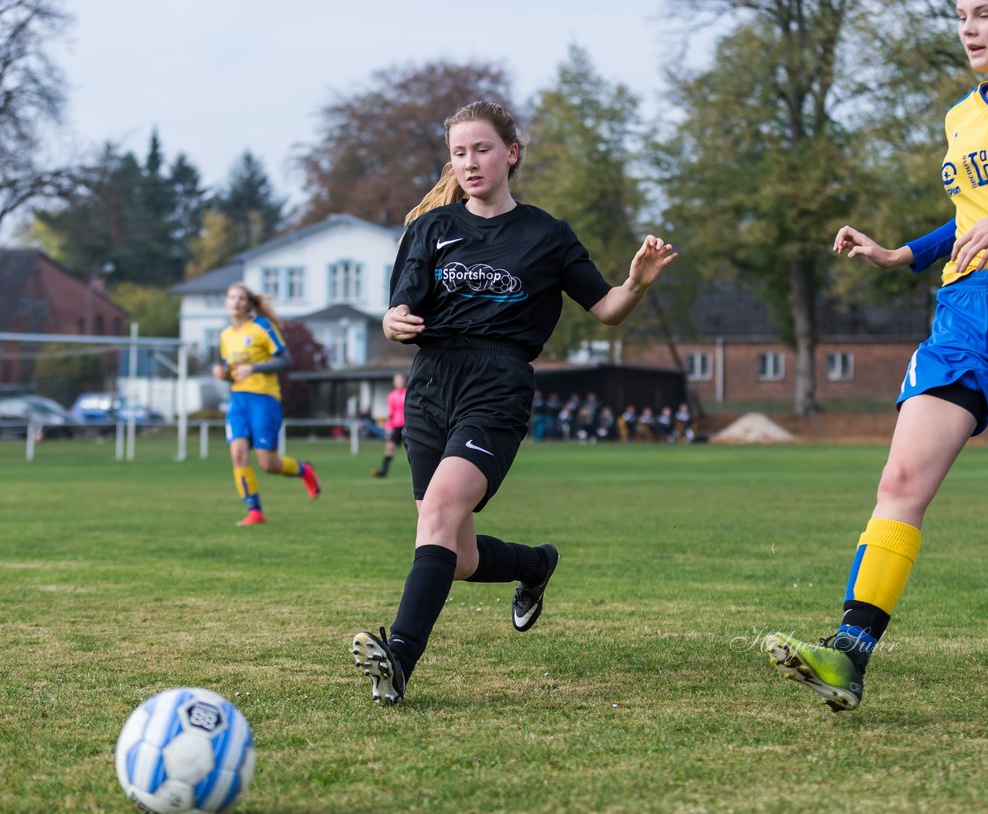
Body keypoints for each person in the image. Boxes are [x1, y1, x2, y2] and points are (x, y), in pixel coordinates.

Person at [764, 0, 988, 711]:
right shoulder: (960, 115)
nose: (968, 27)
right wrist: (904, 252)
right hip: (965, 312)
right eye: (961, 14)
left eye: (985, 12)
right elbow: (970, 215)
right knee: (901, 479)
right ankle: (850, 653)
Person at [349, 100, 678, 705]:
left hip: (497, 383)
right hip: (429, 385)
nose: (469, 162)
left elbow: (605, 309)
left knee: (442, 508)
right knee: (457, 550)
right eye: (458, 152)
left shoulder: (545, 236)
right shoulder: (429, 229)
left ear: (511, 153)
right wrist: (393, 321)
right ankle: (535, 563)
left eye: (481, 149)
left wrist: (635, 283)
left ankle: (398, 657)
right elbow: (401, 309)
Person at [212, 283, 321, 526]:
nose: (236, 302)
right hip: (238, 399)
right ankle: (254, 511)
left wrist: (254, 368)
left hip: (264, 399)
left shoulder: (261, 327)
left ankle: (304, 470)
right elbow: (232, 372)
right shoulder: (225, 335)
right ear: (226, 302)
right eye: (232, 297)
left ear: (249, 304)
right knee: (238, 453)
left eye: (241, 298)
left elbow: (285, 359)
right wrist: (223, 374)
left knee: (267, 464)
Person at [372, 373, 407, 478]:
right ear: (394, 382)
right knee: (389, 447)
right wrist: (388, 426)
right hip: (396, 426)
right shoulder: (391, 396)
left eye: (401, 380)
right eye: (397, 380)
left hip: (407, 425)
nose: (399, 382)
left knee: (414, 449)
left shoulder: (408, 393)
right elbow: (391, 413)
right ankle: (384, 471)